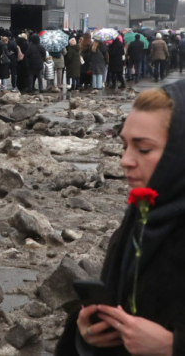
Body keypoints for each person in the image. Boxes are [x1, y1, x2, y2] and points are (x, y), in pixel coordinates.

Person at [56, 83, 185, 355]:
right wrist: (86, 331)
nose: (125, 160)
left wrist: (171, 347)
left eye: (144, 149)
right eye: (124, 145)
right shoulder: (140, 217)